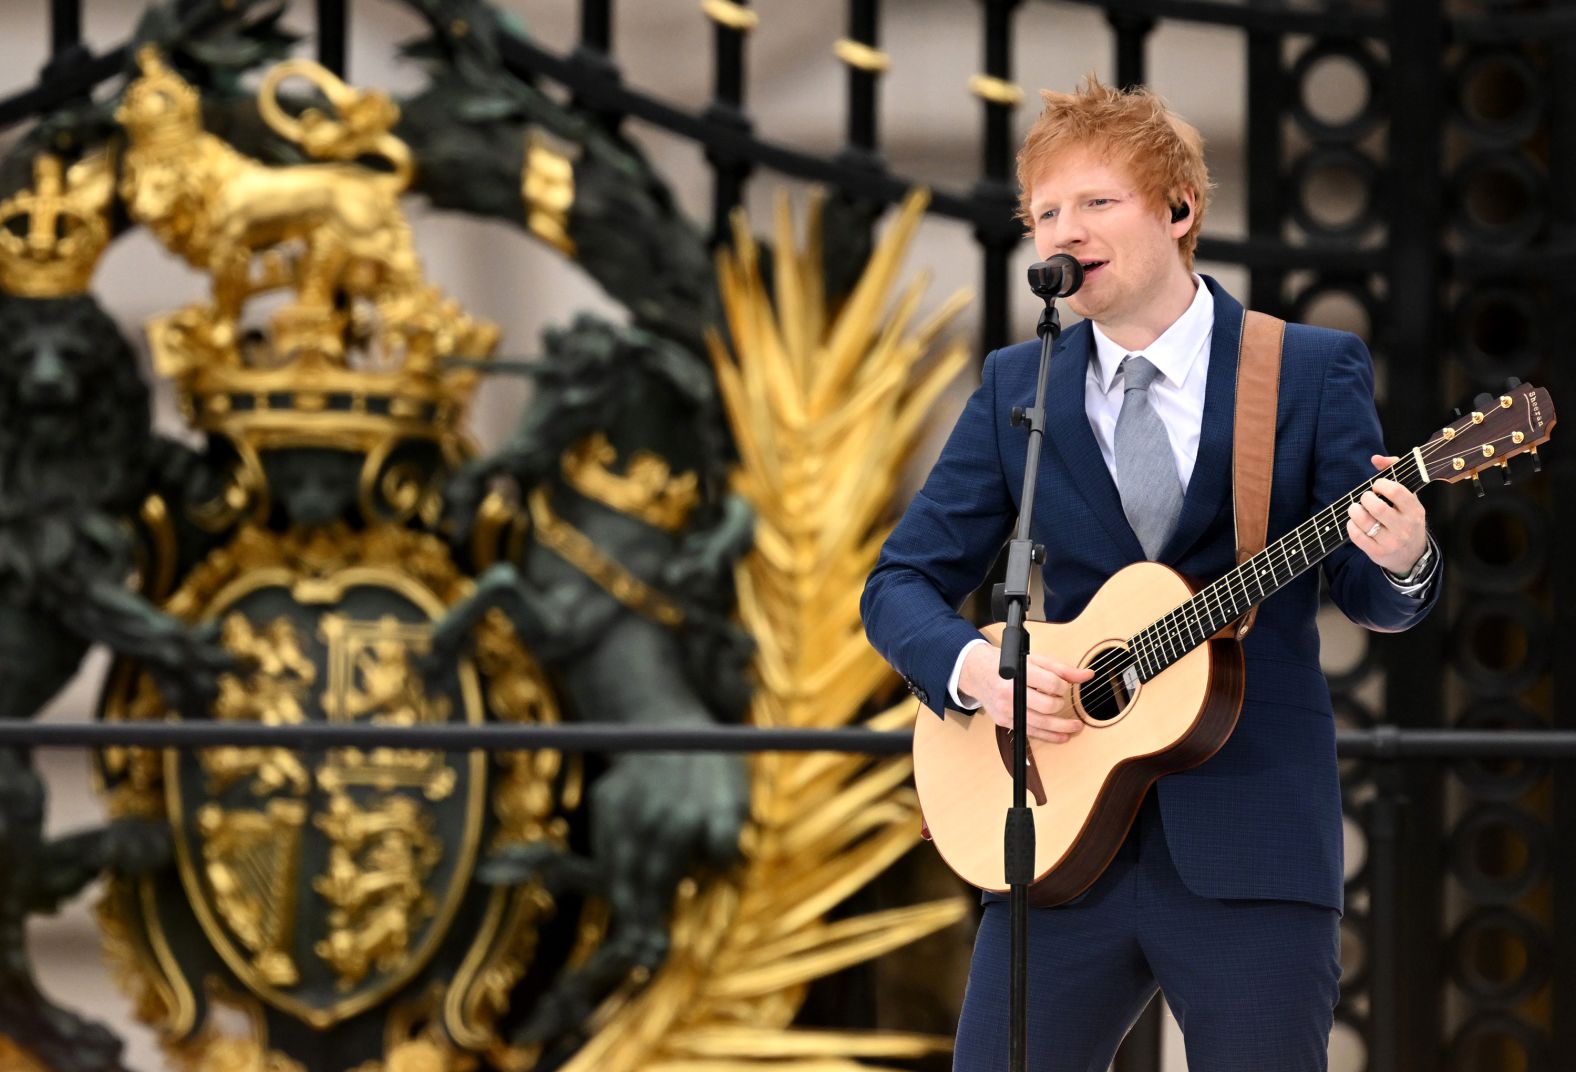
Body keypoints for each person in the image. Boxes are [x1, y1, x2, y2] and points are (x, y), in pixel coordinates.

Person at [860, 78, 1440, 1072]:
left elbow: (1364, 590)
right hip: (1054, 836)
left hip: (1249, 840)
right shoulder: (1017, 384)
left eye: (1095, 202)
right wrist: (975, 671)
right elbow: (898, 584)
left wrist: (1403, 558)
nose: (1063, 229)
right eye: (1045, 212)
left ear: (1178, 210)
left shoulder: (1302, 371)